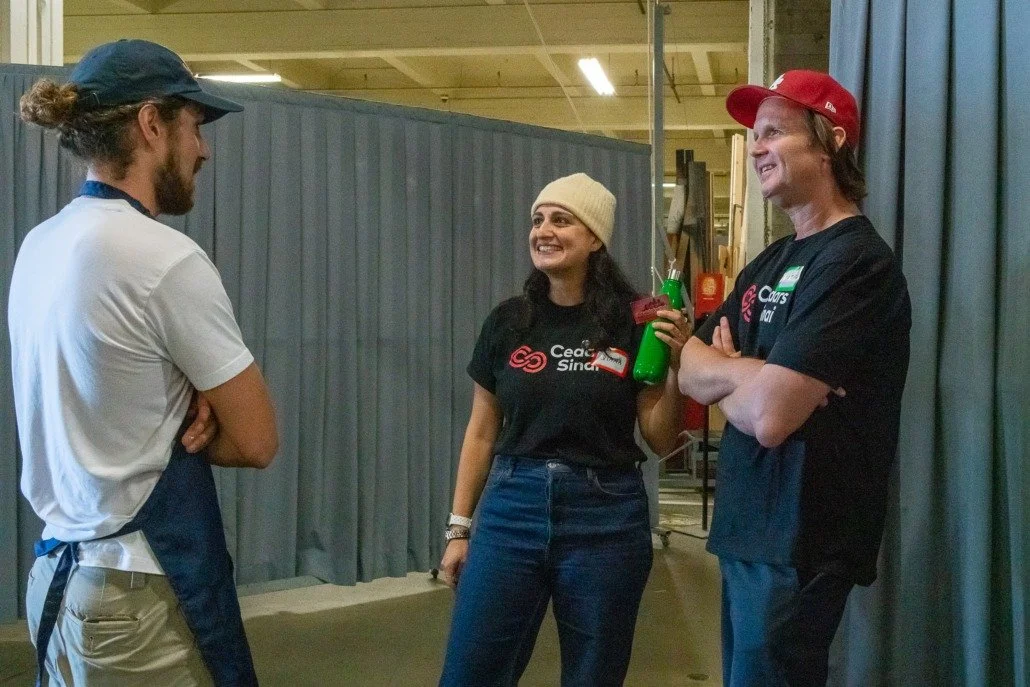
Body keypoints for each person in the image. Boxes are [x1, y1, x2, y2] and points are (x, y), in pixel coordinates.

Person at [11, 39, 278, 686]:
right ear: (151, 123)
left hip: (57, 574)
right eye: (193, 126)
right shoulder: (164, 258)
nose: (203, 149)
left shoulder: (39, 245)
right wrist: (201, 409)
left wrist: (174, 399)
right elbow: (257, 440)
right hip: (138, 589)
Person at [677, 70, 912, 686]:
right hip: (748, 532)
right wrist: (743, 374)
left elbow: (772, 418)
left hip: (801, 541)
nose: (755, 148)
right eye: (755, 135)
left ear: (830, 141)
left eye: (773, 132)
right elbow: (688, 370)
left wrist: (734, 376)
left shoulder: (858, 263)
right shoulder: (771, 261)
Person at [437, 173, 689, 686]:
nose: (543, 230)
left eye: (561, 219)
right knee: (469, 672)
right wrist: (459, 530)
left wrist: (678, 365)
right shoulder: (510, 321)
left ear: (595, 237)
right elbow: (482, 431)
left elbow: (662, 439)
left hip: (606, 517)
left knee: (594, 675)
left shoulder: (638, 320)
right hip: (512, 510)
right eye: (537, 220)